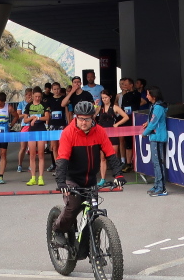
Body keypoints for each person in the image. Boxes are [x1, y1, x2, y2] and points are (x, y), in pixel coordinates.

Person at [51, 101, 126, 246]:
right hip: (73, 179)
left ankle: (92, 248)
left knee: (93, 213)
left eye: (87, 119)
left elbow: (110, 154)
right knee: (73, 208)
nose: (83, 122)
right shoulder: (68, 132)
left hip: (91, 179)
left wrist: (118, 174)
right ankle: (58, 230)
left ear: (93, 118)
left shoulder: (99, 131)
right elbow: (62, 159)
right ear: (75, 117)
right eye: (80, 118)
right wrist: (61, 182)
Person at [96, 90, 129, 187]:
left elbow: (126, 117)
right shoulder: (100, 108)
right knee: (102, 158)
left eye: (106, 97)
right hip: (102, 135)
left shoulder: (115, 107)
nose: (104, 99)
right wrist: (95, 106)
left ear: (110, 97)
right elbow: (92, 116)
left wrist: (117, 124)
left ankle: (117, 177)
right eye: (102, 98)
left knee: (114, 156)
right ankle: (102, 179)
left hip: (113, 135)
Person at [142, 86, 169, 196]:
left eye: (148, 94)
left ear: (154, 96)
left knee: (158, 163)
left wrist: (145, 132)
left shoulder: (158, 107)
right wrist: (147, 123)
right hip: (154, 136)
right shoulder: (154, 106)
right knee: (156, 162)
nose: (146, 96)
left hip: (158, 137)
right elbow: (152, 120)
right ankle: (157, 184)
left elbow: (154, 122)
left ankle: (161, 188)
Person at [25, 87, 50, 186]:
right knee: (32, 155)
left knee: (41, 154)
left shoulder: (44, 105)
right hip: (31, 131)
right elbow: (25, 120)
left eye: (39, 96)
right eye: (36, 96)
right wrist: (32, 117)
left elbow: (47, 117)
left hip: (41, 130)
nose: (37, 98)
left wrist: (38, 118)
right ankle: (32, 177)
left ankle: (40, 177)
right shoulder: (29, 105)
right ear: (32, 96)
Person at [119, 77, 141, 172]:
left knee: (134, 141)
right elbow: (122, 108)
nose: (124, 86)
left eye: (126, 84)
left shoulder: (137, 94)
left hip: (134, 119)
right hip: (126, 119)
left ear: (131, 85)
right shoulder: (125, 95)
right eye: (123, 84)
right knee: (127, 141)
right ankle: (127, 163)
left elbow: (136, 104)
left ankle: (135, 162)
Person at [46, 82, 69, 172]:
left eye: (58, 89)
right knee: (54, 147)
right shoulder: (49, 100)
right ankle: (58, 167)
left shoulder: (63, 99)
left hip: (62, 124)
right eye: (54, 89)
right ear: (52, 90)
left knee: (61, 146)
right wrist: (47, 125)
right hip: (52, 125)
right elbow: (48, 113)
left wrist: (68, 124)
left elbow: (66, 112)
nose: (56, 91)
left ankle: (63, 165)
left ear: (60, 89)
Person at [16, 87, 33, 173]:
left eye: (31, 95)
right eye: (29, 95)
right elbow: (18, 116)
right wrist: (25, 114)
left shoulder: (35, 104)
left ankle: (31, 165)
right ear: (26, 95)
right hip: (24, 126)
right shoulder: (21, 104)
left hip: (32, 126)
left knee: (32, 148)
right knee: (23, 147)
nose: (30, 97)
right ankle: (19, 165)